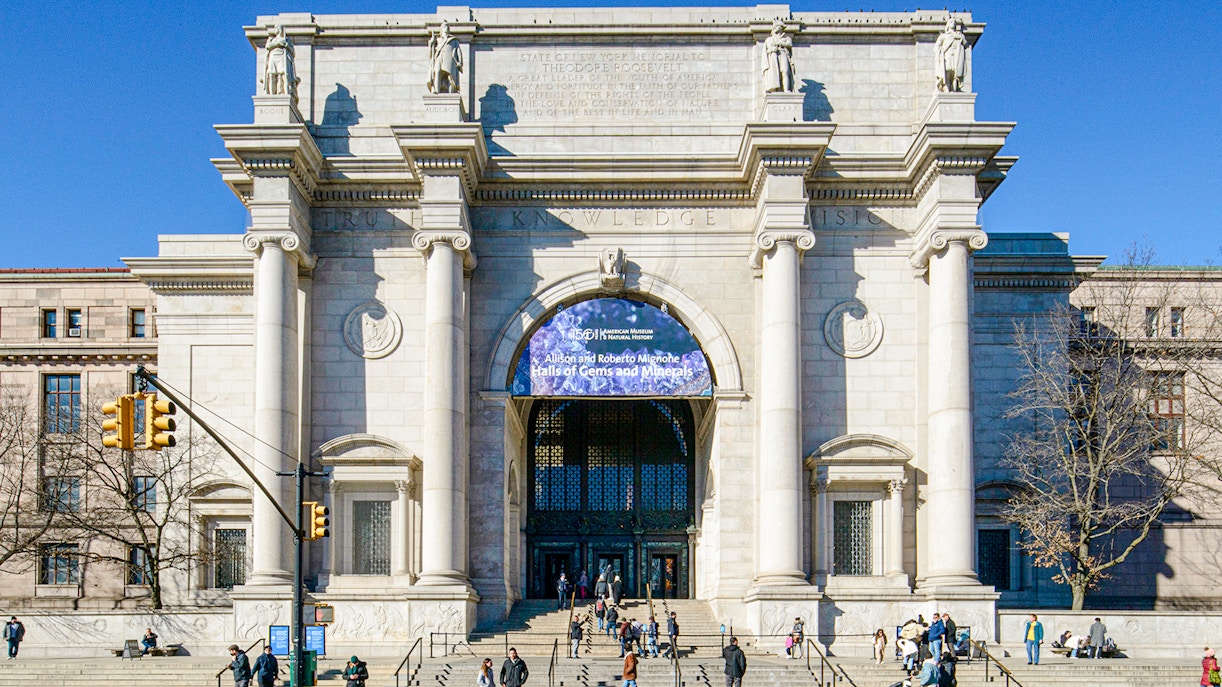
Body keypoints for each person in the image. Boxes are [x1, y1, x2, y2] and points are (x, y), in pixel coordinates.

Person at [427, 20, 463, 94]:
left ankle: (451, 93)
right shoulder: (437, 40)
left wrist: (460, 62)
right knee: (437, 71)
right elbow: (431, 54)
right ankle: (436, 90)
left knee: (450, 76)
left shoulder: (454, 40)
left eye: (447, 26)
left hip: (449, 59)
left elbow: (458, 51)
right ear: (441, 29)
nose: (446, 28)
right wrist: (431, 43)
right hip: (439, 57)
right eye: (444, 26)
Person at [262, 25, 298, 97]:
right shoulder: (272, 39)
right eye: (276, 28)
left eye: (278, 28)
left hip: (282, 56)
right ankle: (272, 94)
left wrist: (287, 45)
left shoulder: (287, 40)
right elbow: (268, 46)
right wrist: (277, 43)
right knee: (271, 74)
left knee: (283, 74)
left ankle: (283, 91)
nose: (276, 30)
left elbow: (293, 52)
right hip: (273, 56)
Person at [934, 17, 967, 92]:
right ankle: (947, 89)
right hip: (947, 54)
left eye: (954, 22)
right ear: (948, 25)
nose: (953, 23)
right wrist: (941, 52)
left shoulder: (959, 35)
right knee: (948, 71)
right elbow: (936, 47)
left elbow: (966, 44)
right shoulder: (944, 36)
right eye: (951, 22)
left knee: (956, 73)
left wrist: (961, 39)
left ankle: (954, 89)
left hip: (957, 54)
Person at [763, 20, 794, 93]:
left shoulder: (786, 38)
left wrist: (780, 43)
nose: (775, 28)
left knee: (785, 71)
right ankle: (774, 89)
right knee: (775, 73)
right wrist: (772, 49)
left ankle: (786, 89)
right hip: (773, 57)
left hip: (783, 54)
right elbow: (765, 52)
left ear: (781, 28)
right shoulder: (769, 39)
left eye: (777, 26)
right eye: (775, 27)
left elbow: (789, 44)